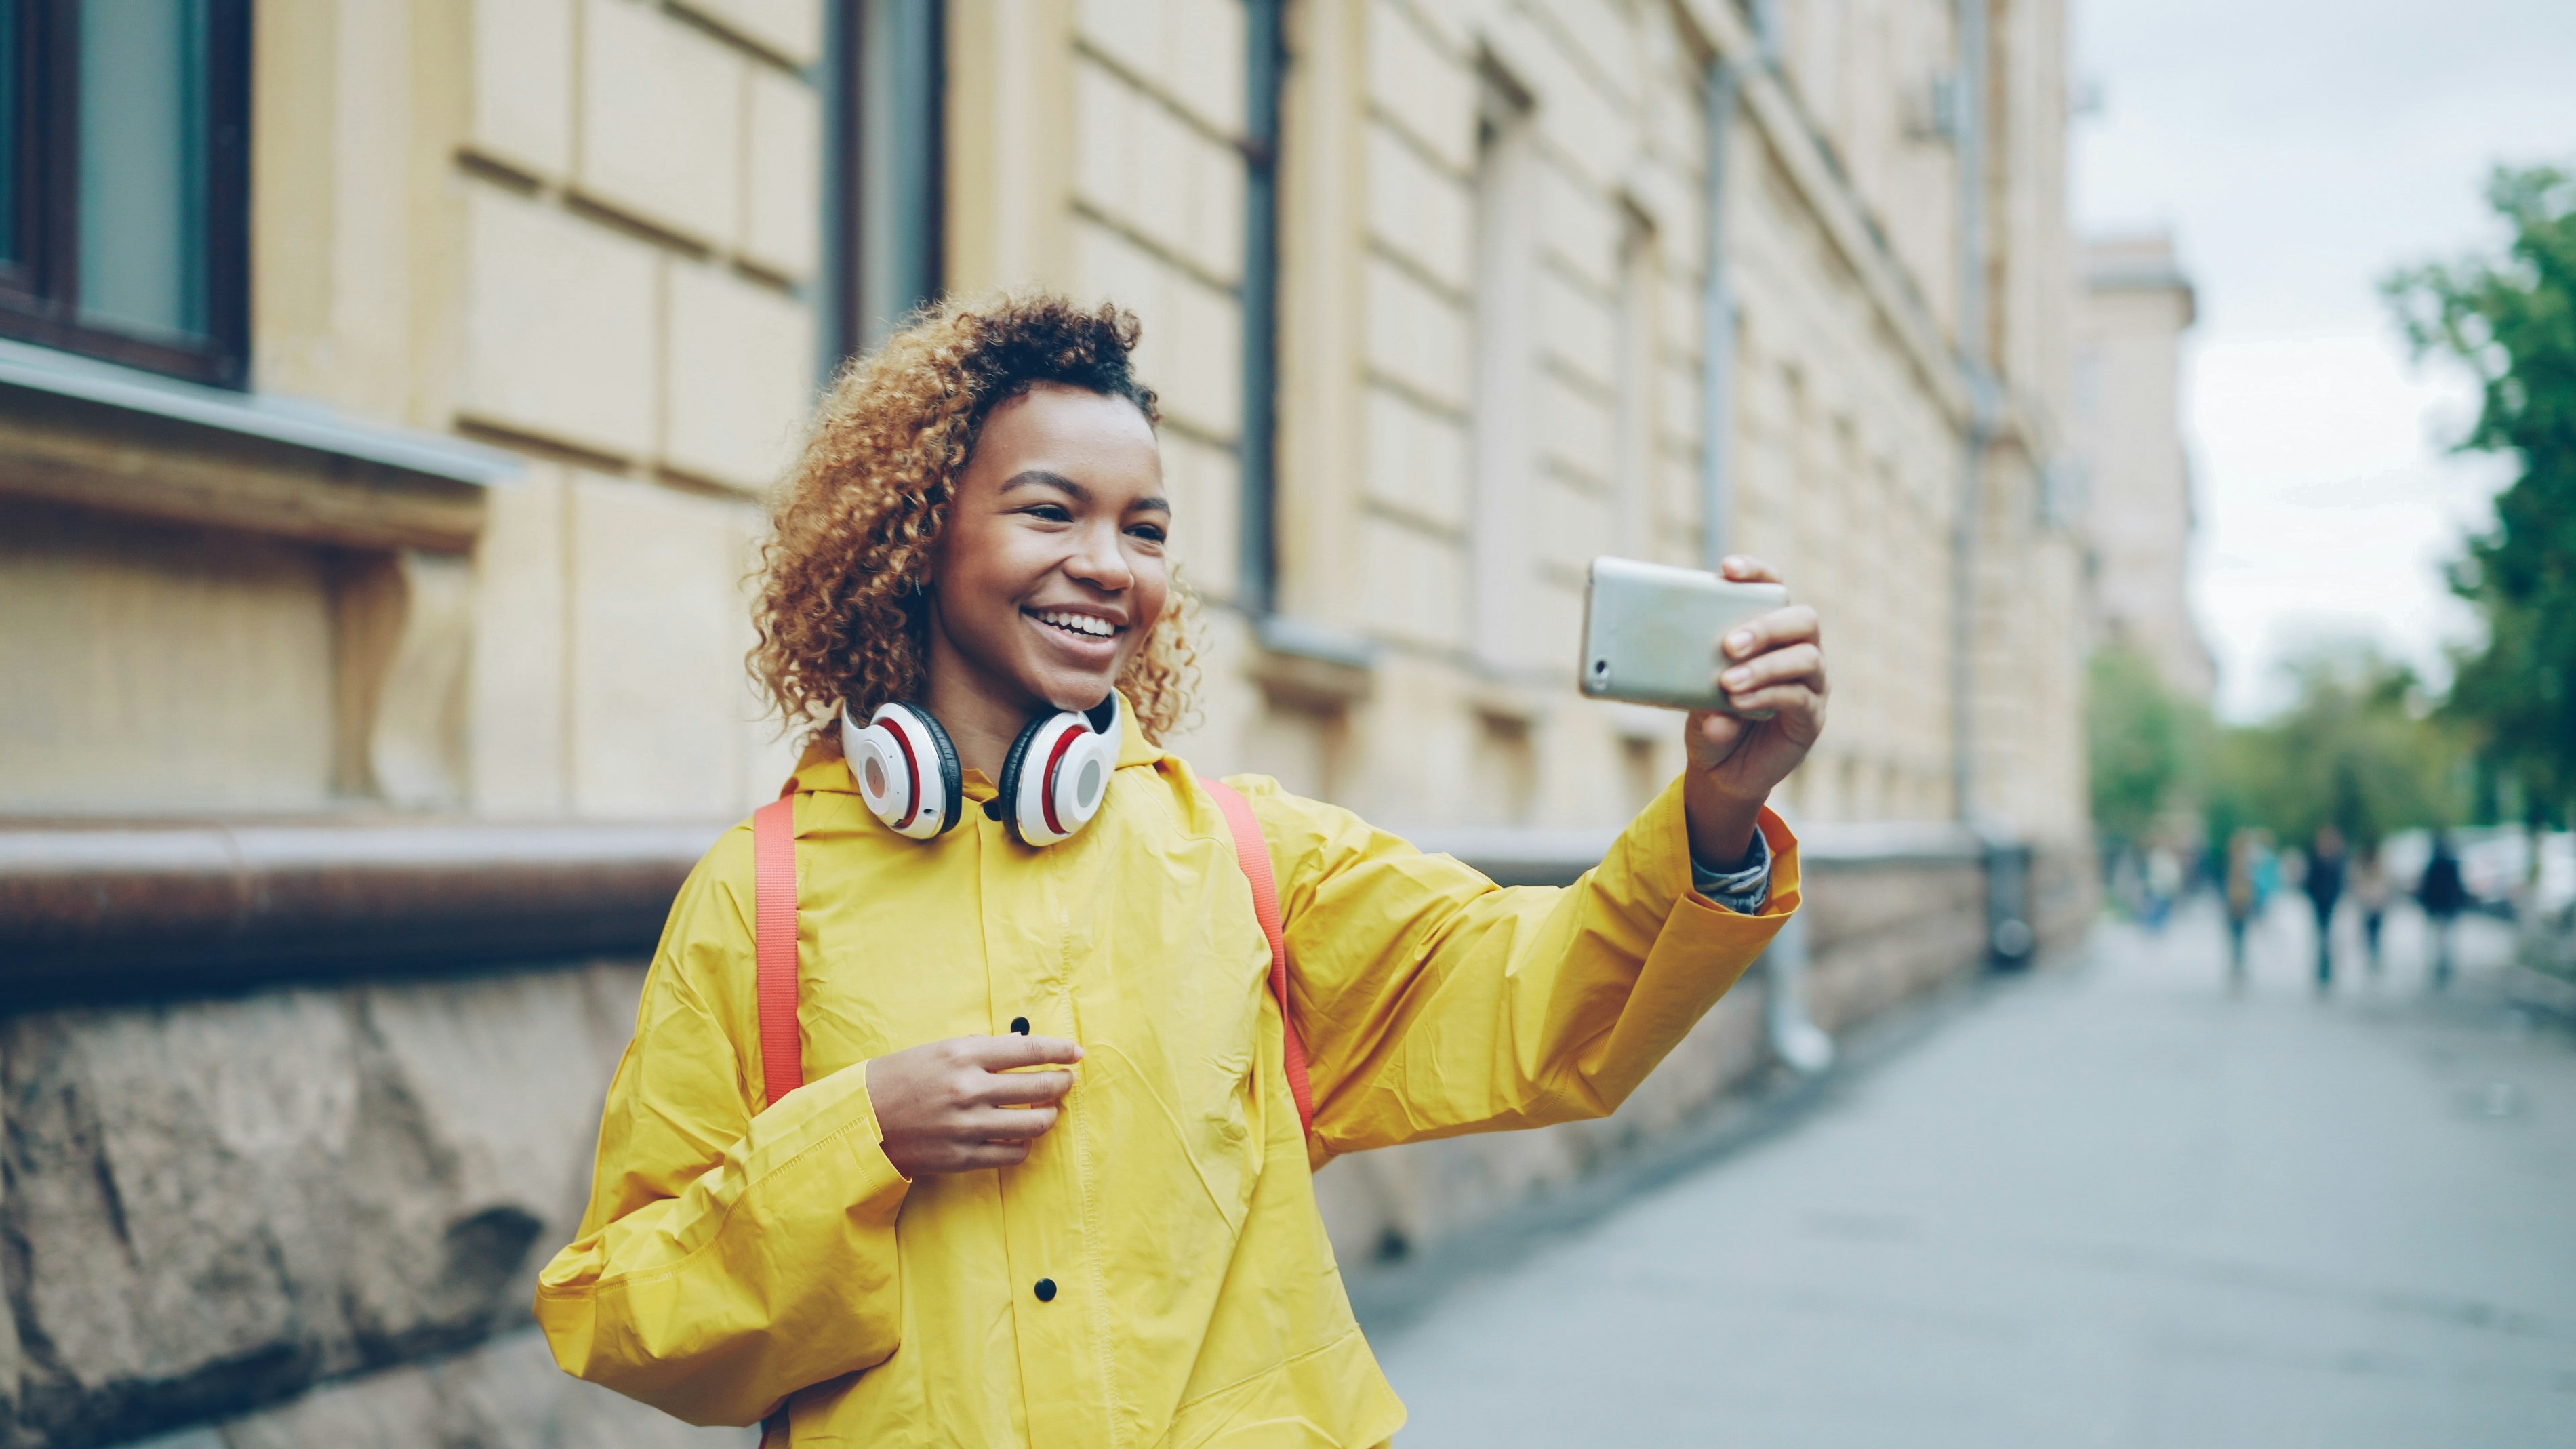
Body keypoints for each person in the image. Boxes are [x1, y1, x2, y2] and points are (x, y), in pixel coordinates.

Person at [531, 295, 1828, 1447]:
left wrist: (1719, 809)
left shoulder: (1256, 860)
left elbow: (1541, 1008)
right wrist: (861, 1138)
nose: (1109, 564)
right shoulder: (760, 896)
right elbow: (626, 1309)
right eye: (1052, 509)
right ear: (919, 533)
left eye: (1144, 529)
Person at [2419, 832, 2469, 989]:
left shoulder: (2433, 865)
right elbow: (2458, 886)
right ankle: (2445, 961)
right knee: (2446, 936)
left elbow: (2426, 888)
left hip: (2438, 906)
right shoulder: (2451, 865)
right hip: (2448, 906)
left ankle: (2442, 961)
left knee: (2439, 936)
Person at [2303, 824, 2348, 989]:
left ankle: (2326, 968)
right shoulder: (2318, 857)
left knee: (2326, 936)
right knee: (2322, 935)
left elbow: (2338, 881)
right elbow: (2310, 881)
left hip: (2329, 901)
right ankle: (2323, 968)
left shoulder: (2336, 858)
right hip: (2320, 901)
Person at [2352, 841, 2390, 975]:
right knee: (2373, 931)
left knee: (2372, 930)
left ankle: (2373, 953)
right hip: (2372, 903)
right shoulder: (2372, 867)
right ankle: (2373, 953)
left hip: (2373, 902)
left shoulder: (2374, 866)